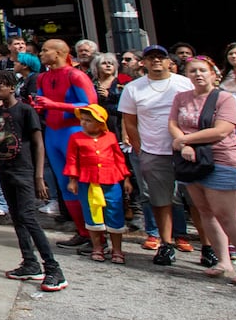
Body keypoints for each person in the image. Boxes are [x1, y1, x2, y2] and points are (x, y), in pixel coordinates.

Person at [170, 57, 236, 285]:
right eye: (192, 71)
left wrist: (185, 140)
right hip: (191, 160)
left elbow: (222, 130)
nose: (198, 74)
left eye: (203, 70)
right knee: (205, 212)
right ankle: (223, 261)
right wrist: (185, 144)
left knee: (226, 216)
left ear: (214, 74)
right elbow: (172, 124)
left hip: (222, 160)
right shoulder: (181, 97)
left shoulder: (225, 98)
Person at [0, 71, 65, 289]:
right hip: (5, 167)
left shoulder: (26, 111)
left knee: (28, 216)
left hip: (24, 169)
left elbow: (38, 143)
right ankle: (29, 262)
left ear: (11, 87)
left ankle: (53, 267)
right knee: (17, 217)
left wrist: (38, 176)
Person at [119, 45, 194, 265]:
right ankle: (166, 244)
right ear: (144, 62)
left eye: (160, 57)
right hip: (153, 151)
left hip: (185, 149)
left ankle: (208, 247)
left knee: (196, 201)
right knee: (160, 201)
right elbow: (130, 123)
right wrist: (141, 149)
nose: (156, 61)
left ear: (169, 62)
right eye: (151, 58)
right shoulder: (133, 88)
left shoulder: (184, 83)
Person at [31, 39, 99, 248]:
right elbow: (42, 101)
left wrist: (55, 105)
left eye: (45, 50)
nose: (41, 54)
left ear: (59, 53)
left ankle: (97, 235)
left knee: (84, 184)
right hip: (53, 133)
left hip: (75, 133)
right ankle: (83, 232)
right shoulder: (43, 77)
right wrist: (37, 105)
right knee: (64, 185)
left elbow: (92, 106)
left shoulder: (76, 75)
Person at [65, 104, 132, 264]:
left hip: (111, 179)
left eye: (88, 120)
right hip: (88, 182)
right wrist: (72, 180)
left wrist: (126, 178)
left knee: (114, 212)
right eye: (82, 120)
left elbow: (119, 159)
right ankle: (97, 247)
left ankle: (117, 249)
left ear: (99, 122)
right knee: (92, 214)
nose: (84, 123)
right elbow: (72, 160)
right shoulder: (76, 138)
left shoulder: (110, 138)